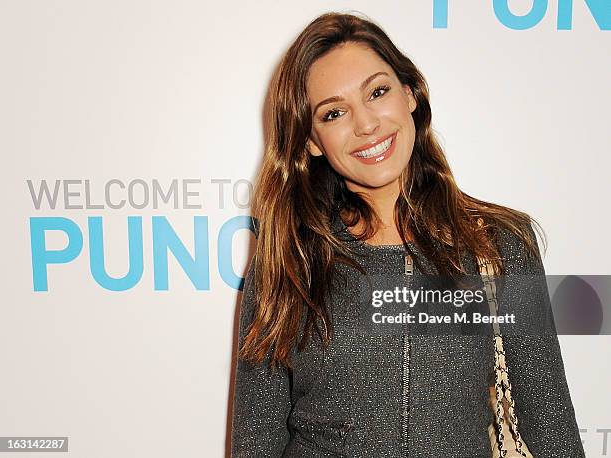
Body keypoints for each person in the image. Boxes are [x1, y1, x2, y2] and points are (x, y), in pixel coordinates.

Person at [229, 11, 585, 457]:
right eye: (334, 112)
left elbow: (550, 426)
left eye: (377, 92)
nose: (366, 125)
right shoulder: (290, 261)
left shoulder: (498, 246)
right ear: (311, 141)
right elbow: (254, 445)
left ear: (411, 94)